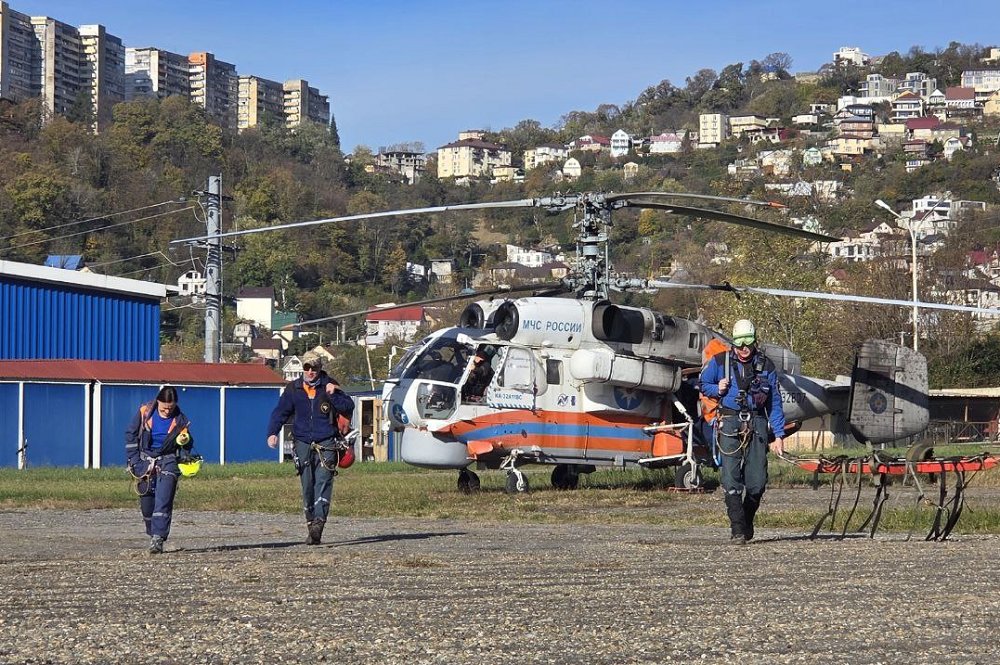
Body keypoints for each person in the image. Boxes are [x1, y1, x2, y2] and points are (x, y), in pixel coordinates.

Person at [699, 319, 785, 544]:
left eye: (748, 343)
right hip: (728, 421)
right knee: (730, 477)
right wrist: (716, 388)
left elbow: (774, 403)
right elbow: (702, 383)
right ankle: (737, 529)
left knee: (757, 483)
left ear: (755, 341)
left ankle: (746, 520)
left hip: (757, 423)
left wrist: (778, 435)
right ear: (733, 343)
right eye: (739, 344)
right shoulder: (719, 362)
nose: (743, 348)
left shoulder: (766, 366)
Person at [267, 358, 354, 545]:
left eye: (314, 368)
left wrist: (334, 394)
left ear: (320, 369)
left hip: (327, 442)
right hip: (303, 442)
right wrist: (273, 433)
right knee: (307, 485)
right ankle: (310, 524)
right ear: (303, 369)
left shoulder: (330, 385)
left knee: (323, 481)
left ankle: (319, 524)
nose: (310, 371)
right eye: (307, 367)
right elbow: (280, 412)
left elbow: (348, 406)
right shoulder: (293, 389)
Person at [125, 385, 194, 554]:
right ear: (158, 402)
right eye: (164, 408)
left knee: (163, 500)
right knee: (147, 503)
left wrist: (186, 441)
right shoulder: (144, 412)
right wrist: (134, 460)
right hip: (143, 461)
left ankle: (158, 538)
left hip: (169, 461)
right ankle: (151, 531)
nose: (167, 411)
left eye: (170, 408)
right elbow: (130, 435)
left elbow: (188, 446)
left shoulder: (181, 421)